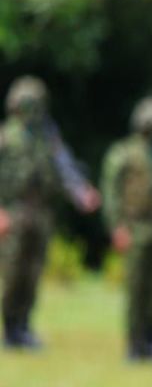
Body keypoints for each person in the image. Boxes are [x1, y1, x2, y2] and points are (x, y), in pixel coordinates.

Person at [0, 75, 100, 349]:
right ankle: (9, 328)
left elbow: (65, 171)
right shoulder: (6, 137)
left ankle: (23, 327)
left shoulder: (49, 140)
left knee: (32, 273)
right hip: (14, 211)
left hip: (41, 213)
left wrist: (82, 193)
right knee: (12, 273)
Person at [101, 96, 152, 360]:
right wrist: (117, 227)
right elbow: (112, 193)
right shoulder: (124, 154)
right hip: (136, 229)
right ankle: (135, 344)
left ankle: (151, 340)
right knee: (137, 289)